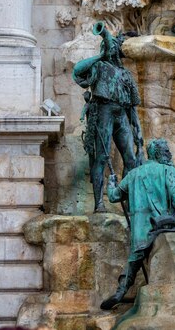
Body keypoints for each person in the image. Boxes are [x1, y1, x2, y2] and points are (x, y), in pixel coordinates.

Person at [100, 138, 175, 310]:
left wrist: (111, 183)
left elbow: (115, 196)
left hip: (140, 231)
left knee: (135, 258)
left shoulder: (134, 174)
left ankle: (121, 290)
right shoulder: (168, 170)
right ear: (158, 153)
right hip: (164, 225)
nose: (169, 154)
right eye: (166, 151)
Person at [72, 22, 144, 213]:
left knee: (130, 159)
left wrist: (138, 129)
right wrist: (99, 57)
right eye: (108, 47)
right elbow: (77, 71)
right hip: (103, 112)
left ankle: (129, 202)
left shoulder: (125, 74)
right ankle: (99, 204)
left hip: (122, 115)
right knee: (102, 157)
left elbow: (133, 106)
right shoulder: (99, 67)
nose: (111, 50)